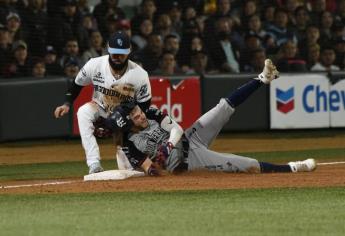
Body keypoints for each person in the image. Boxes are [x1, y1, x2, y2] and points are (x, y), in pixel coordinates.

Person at [106, 59, 316, 176]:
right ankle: (295, 167)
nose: (140, 114)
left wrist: (167, 147)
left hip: (189, 137)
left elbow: (177, 130)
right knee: (245, 163)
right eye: (135, 115)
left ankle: (263, 78)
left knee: (223, 107)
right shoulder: (129, 144)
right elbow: (150, 171)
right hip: (190, 161)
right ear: (127, 124)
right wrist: (157, 166)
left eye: (137, 110)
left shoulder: (150, 111)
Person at [54, 31, 152, 174]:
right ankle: (94, 164)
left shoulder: (139, 74)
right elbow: (76, 85)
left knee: (129, 171)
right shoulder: (94, 65)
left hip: (126, 113)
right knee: (83, 112)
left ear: (129, 51)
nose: (118, 57)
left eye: (122, 53)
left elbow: (145, 104)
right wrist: (66, 104)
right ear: (108, 49)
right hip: (100, 107)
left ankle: (141, 157)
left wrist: (126, 125)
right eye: (114, 53)